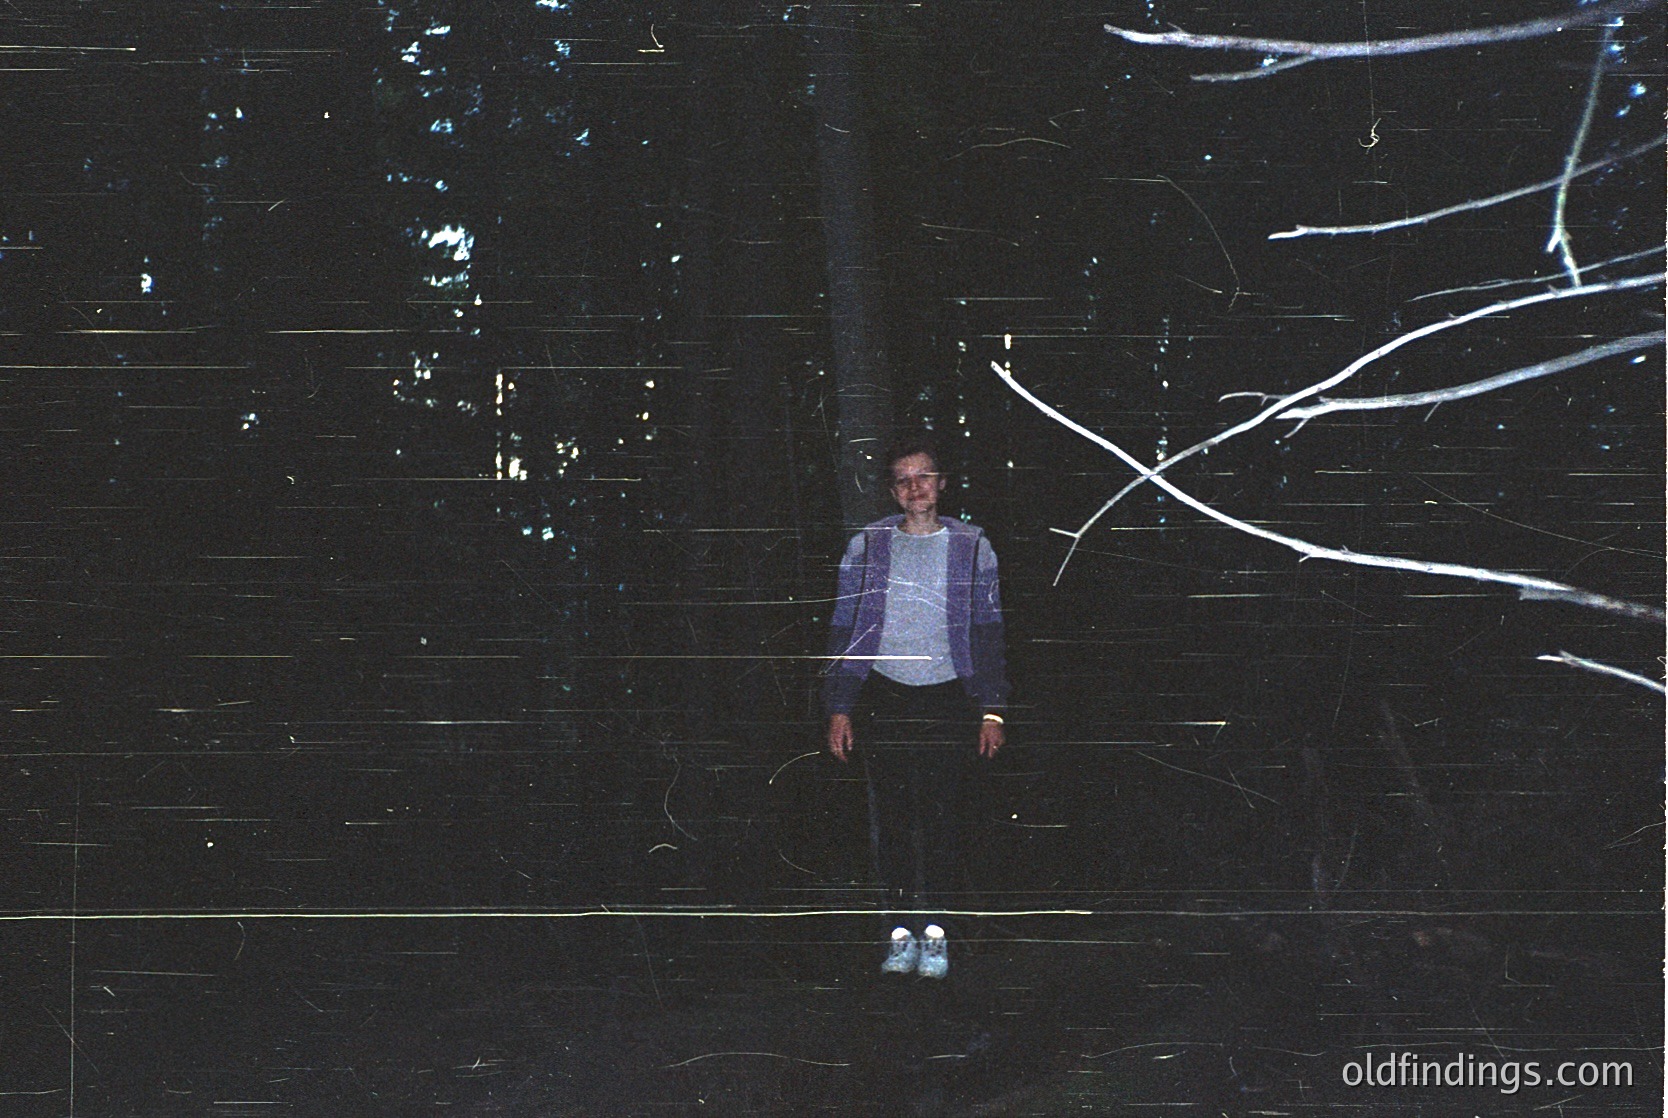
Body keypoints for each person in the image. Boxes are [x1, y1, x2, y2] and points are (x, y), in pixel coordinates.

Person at [823, 433, 1008, 979]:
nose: (914, 487)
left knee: (946, 818)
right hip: (885, 696)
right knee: (895, 820)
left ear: (942, 483)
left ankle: (939, 937)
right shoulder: (867, 544)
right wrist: (839, 706)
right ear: (893, 490)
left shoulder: (974, 545)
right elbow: (843, 628)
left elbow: (990, 631)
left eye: (923, 476)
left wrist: (993, 710)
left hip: (951, 696)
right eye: (903, 479)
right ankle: (900, 934)